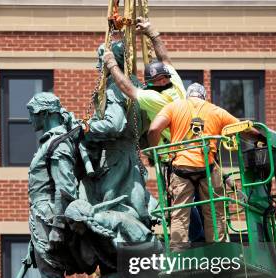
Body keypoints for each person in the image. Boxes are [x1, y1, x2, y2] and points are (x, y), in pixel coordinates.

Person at [25, 92, 91, 278]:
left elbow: (65, 189)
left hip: (49, 219)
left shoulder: (58, 145)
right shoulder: (51, 143)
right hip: (41, 221)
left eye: (32, 114)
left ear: (44, 113)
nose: (29, 120)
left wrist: (56, 227)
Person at [147, 83, 257, 243]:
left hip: (181, 169)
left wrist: (155, 152)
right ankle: (216, 255)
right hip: (208, 168)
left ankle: (179, 257)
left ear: (188, 96)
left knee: (179, 215)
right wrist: (262, 138)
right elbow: (245, 130)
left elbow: (153, 130)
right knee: (214, 213)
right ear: (203, 97)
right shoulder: (216, 111)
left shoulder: (173, 107)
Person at [81, 40, 153, 227]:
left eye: (100, 60)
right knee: (135, 205)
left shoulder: (114, 89)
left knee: (103, 208)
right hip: (132, 158)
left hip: (116, 158)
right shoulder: (138, 87)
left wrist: (87, 128)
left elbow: (115, 124)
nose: (98, 67)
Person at [102, 17, 186, 145]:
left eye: (164, 78)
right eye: (159, 79)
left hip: (177, 147)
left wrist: (112, 64)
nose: (163, 82)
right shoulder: (175, 84)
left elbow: (128, 89)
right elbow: (165, 59)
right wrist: (152, 33)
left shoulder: (156, 98)